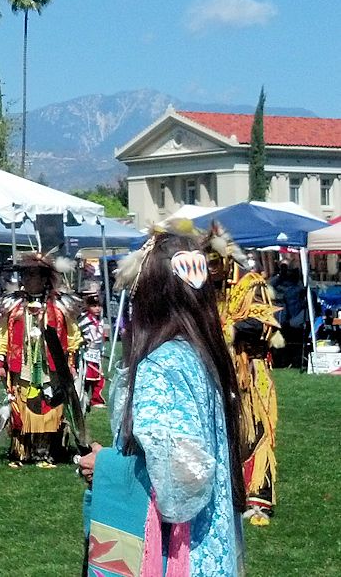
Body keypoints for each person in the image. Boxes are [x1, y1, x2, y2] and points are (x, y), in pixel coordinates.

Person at [77, 230, 246, 576]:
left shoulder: (162, 365)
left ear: (150, 296)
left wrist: (106, 466)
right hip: (213, 548)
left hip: (177, 556)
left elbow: (182, 480)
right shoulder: (203, 354)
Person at [205, 224, 282, 527]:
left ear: (226, 259)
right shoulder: (210, 290)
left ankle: (259, 501)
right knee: (228, 434)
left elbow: (265, 324)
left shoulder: (251, 284)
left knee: (257, 433)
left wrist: (231, 329)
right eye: (206, 263)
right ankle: (234, 496)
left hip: (252, 372)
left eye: (214, 262)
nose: (211, 269)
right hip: (222, 371)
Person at [0, 251, 83, 468]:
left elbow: (72, 335)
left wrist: (71, 362)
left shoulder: (59, 306)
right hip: (22, 367)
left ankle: (45, 453)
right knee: (19, 408)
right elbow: (2, 335)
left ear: (45, 279)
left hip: (51, 368)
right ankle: (21, 452)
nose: (29, 280)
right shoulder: (13, 306)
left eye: (34, 276)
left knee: (48, 409)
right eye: (26, 276)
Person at [79, 291, 109, 409]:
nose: (97, 309)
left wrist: (102, 351)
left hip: (97, 352)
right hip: (87, 352)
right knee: (87, 376)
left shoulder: (101, 320)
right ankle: (84, 396)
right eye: (94, 306)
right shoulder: (84, 319)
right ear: (88, 306)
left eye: (99, 306)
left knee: (99, 378)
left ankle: (96, 399)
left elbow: (101, 337)